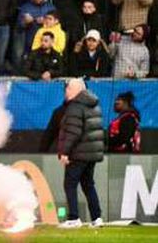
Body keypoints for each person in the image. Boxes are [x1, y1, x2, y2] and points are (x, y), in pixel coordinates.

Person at [58, 78, 104, 229]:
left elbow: (73, 132)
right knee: (88, 185)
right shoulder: (93, 103)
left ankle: (73, 218)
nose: (66, 91)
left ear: (76, 90)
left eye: (68, 89)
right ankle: (97, 218)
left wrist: (65, 152)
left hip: (78, 152)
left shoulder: (75, 106)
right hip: (91, 152)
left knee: (70, 184)